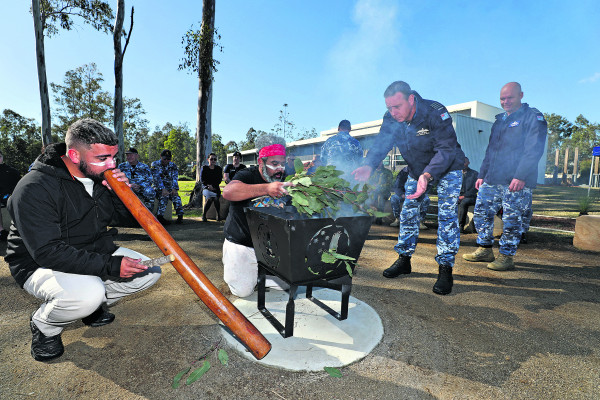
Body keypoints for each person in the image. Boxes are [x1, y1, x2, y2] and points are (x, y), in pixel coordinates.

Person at [4, 118, 161, 362]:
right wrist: (110, 266)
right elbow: (47, 252)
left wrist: (120, 194)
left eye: (113, 157)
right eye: (102, 158)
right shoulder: (33, 187)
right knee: (87, 294)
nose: (112, 165)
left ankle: (92, 305)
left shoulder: (99, 178)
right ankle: (45, 325)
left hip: (91, 250)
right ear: (74, 155)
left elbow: (127, 219)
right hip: (39, 263)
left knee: (150, 271)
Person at [352, 81, 465, 295]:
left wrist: (428, 175)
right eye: (389, 108)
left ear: (411, 99)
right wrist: (369, 165)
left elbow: (446, 149)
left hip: (447, 167)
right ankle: (404, 259)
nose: (393, 112)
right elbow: (382, 143)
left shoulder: (434, 112)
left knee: (447, 216)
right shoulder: (391, 118)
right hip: (416, 170)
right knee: (408, 213)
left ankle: (445, 268)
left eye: (397, 106)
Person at [463, 82, 547, 270]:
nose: (506, 101)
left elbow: (534, 149)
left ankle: (506, 257)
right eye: (502, 98)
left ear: (521, 95)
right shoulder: (500, 119)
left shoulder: (533, 117)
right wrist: (482, 174)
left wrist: (521, 175)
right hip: (493, 178)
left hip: (516, 181)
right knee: (481, 213)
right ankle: (485, 249)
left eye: (510, 97)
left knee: (512, 220)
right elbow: (491, 150)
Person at [221, 134, 291, 297]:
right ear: (261, 162)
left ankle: (259, 274)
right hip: (241, 243)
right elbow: (228, 192)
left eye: (282, 163)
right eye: (274, 164)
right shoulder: (247, 175)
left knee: (288, 284)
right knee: (243, 291)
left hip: (268, 245)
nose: (280, 169)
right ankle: (236, 267)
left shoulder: (285, 179)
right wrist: (266, 189)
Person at [389, 166, 429, 230]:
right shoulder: (403, 172)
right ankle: (398, 219)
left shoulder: (422, 172)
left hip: (418, 195)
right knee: (394, 198)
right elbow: (397, 186)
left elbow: (426, 186)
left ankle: (420, 221)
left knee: (426, 199)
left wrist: (419, 195)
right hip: (404, 195)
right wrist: (402, 194)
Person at [151, 149, 184, 225]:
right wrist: (163, 189)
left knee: (176, 197)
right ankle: (160, 216)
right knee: (164, 196)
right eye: (164, 159)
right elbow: (156, 179)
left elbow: (175, 177)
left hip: (169, 187)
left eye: (168, 159)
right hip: (158, 187)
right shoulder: (155, 164)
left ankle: (180, 216)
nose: (166, 161)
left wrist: (174, 188)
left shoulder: (173, 166)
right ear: (161, 156)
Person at [0, 150, 21, 241]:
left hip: (10, 195)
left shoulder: (11, 171)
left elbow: (19, 184)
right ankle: (1, 231)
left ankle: (20, 228)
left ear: (2, 157)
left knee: (16, 200)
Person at [457, 157, 479, 233]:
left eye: (464, 162)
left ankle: (460, 226)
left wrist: (464, 196)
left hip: (470, 197)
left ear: (468, 163)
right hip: (457, 196)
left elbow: (475, 189)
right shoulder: (455, 174)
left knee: (464, 202)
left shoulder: (474, 174)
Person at [200, 152, 223, 222]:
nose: (213, 161)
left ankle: (218, 215)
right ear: (208, 160)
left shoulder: (218, 169)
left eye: (215, 159)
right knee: (210, 198)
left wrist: (213, 186)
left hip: (215, 188)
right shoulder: (204, 168)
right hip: (206, 188)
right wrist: (208, 186)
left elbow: (219, 180)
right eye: (211, 159)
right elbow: (202, 179)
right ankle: (204, 215)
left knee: (216, 198)